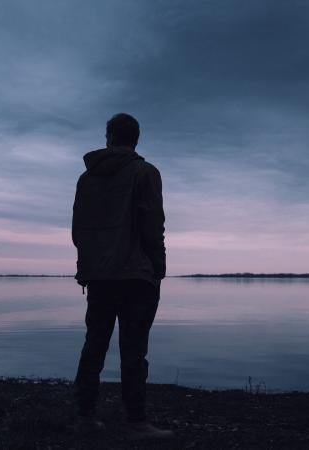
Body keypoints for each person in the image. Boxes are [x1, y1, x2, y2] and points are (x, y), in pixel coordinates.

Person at [72, 113, 172, 440]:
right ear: (136, 139)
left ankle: (84, 416)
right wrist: (159, 267)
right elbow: (152, 225)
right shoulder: (145, 173)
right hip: (135, 276)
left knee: (94, 345)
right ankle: (136, 422)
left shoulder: (87, 179)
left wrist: (87, 267)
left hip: (99, 275)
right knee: (133, 350)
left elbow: (79, 231)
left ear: (109, 138)